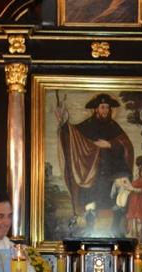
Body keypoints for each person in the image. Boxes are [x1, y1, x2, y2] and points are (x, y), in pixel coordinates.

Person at [56, 92, 134, 231]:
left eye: (107, 107)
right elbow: (73, 135)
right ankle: (89, 230)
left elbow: (126, 146)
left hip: (111, 172)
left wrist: (110, 144)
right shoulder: (88, 125)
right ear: (96, 109)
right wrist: (63, 122)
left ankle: (113, 231)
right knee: (91, 204)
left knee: (113, 202)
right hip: (91, 173)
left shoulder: (113, 126)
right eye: (102, 107)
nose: (105, 110)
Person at [125, 163, 142, 240]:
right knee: (132, 223)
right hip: (133, 203)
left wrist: (133, 189)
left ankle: (140, 242)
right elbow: (131, 186)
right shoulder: (137, 180)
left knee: (140, 224)